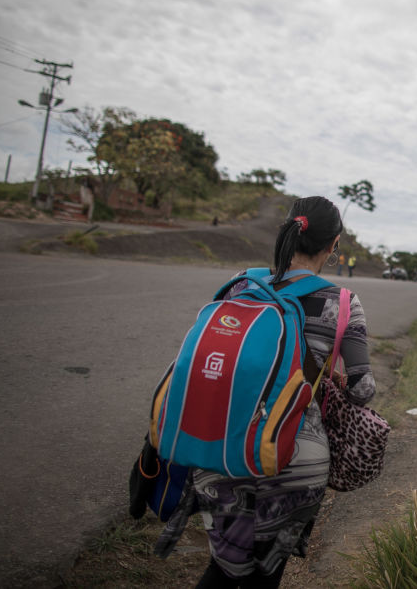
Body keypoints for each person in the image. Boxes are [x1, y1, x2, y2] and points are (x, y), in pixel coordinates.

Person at [155, 196, 376, 588]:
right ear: (334, 244)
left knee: (223, 569)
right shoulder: (343, 304)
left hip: (222, 451)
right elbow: (362, 391)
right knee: (267, 575)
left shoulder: (243, 283)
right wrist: (329, 378)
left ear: (288, 230)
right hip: (295, 461)